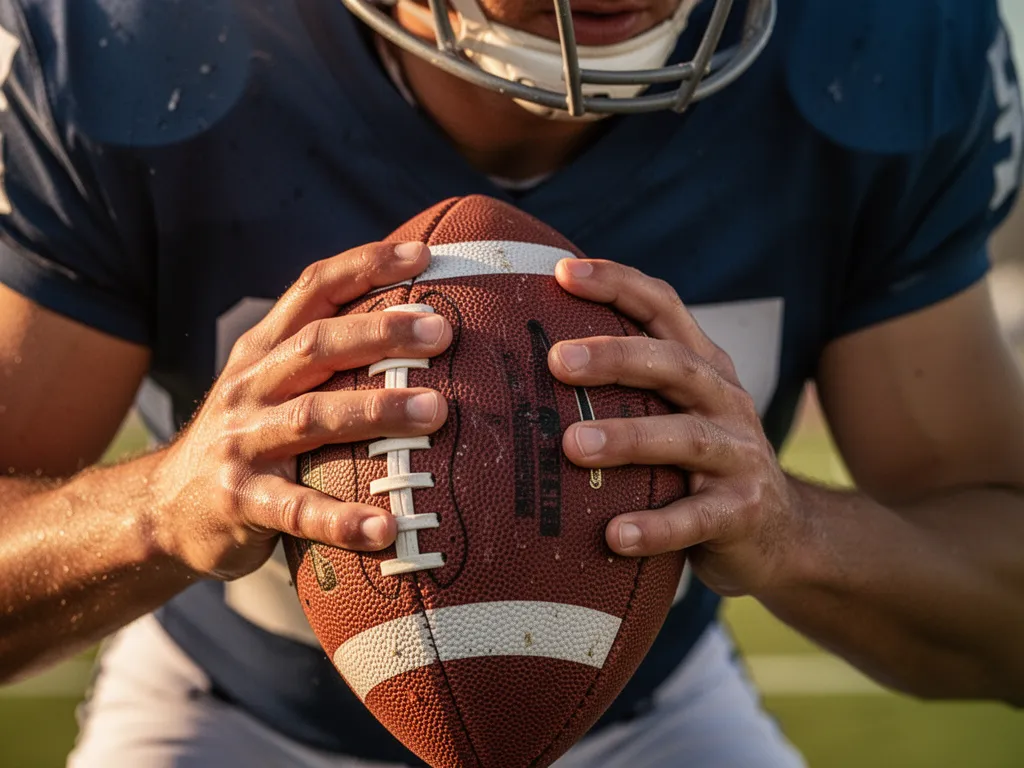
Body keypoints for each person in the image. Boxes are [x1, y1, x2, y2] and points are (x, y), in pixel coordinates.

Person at [0, 0, 1022, 765]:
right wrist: (156, 510)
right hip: (234, 708)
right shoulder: (134, 46)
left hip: (650, 718)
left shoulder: (877, 47)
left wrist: (800, 532)